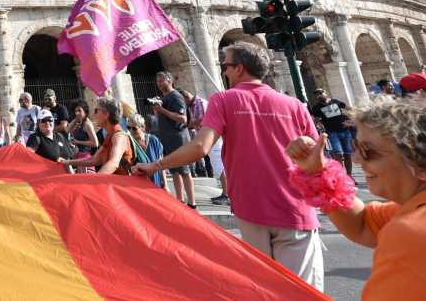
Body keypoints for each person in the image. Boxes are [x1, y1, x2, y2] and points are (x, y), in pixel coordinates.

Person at [133, 42, 324, 290]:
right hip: (296, 207)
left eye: (226, 66)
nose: (224, 71)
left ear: (239, 69)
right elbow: (318, 158)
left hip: (251, 207)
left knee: (264, 288)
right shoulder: (295, 105)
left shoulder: (223, 100)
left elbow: (200, 147)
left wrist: (155, 165)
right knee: (303, 292)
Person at [285, 98, 426, 299]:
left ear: (424, 165)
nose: (356, 159)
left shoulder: (416, 231)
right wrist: (318, 172)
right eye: (356, 146)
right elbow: (363, 224)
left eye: (368, 151)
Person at [152, 71, 195, 207]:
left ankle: (192, 203)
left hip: (178, 139)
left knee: (184, 171)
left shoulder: (176, 96)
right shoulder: (164, 98)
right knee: (174, 170)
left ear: (169, 80)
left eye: (161, 81)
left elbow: (183, 118)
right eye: (157, 81)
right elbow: (162, 118)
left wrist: (162, 110)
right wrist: (157, 109)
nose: (159, 84)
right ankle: (180, 200)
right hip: (168, 138)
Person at [58, 98, 132, 175]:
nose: (94, 114)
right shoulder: (110, 135)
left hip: (122, 185)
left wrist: (96, 180)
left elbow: (113, 163)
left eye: (96, 110)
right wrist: (68, 162)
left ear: (106, 114)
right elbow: (94, 160)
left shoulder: (118, 137)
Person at [308, 89, 355, 177]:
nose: (319, 95)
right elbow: (315, 119)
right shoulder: (316, 108)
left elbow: (348, 108)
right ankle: (341, 176)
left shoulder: (335, 102)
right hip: (332, 133)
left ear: (325, 93)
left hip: (345, 131)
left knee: (348, 154)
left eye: (321, 93)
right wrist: (318, 125)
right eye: (317, 94)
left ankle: (349, 176)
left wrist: (352, 120)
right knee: (338, 153)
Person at [126, 114, 165, 188]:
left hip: (156, 183)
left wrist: (165, 185)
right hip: (139, 185)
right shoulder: (129, 142)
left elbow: (161, 164)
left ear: (143, 127)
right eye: (128, 128)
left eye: (134, 128)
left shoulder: (153, 140)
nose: (131, 130)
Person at [182, 90, 213, 178]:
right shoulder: (190, 106)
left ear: (187, 97)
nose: (184, 104)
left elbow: (202, 119)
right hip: (201, 134)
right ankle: (210, 173)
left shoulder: (199, 103)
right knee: (206, 156)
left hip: (208, 134)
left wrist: (189, 125)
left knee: (212, 159)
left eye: (184, 101)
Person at [66, 101, 99, 170]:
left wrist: (78, 142)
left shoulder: (87, 124)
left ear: (85, 111)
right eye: (75, 111)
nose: (77, 113)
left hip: (86, 157)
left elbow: (95, 143)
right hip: (80, 157)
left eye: (79, 111)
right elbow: (67, 130)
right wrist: (76, 119)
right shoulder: (80, 122)